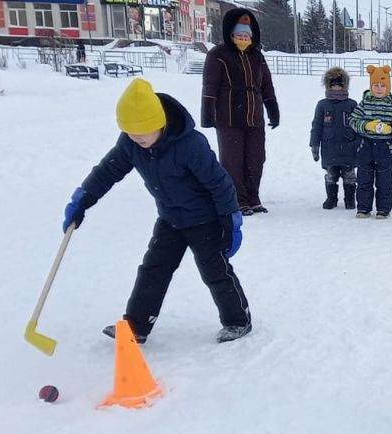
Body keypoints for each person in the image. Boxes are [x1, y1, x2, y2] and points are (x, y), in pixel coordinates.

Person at [63, 78, 252, 344]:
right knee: (153, 269)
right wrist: (84, 198)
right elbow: (109, 169)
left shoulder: (190, 145)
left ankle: (238, 320)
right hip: (170, 218)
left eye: (143, 131)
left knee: (215, 272)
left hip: (205, 220)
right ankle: (136, 326)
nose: (137, 138)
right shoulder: (130, 143)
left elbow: (220, 183)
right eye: (130, 132)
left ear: (160, 123)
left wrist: (231, 220)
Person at [201, 8, 280, 216]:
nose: (243, 38)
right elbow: (210, 86)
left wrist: (273, 109)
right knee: (232, 160)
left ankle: (253, 198)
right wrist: (208, 113)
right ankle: (237, 200)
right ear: (230, 35)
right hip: (228, 118)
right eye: (239, 35)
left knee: (256, 158)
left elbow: (266, 86)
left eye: (246, 35)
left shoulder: (257, 56)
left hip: (254, 118)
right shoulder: (218, 55)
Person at [348, 65, 392, 219]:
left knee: (384, 181)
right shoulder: (364, 103)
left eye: (383, 85)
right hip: (365, 147)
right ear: (371, 86)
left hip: (385, 149)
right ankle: (363, 208)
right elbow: (352, 120)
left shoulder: (391, 105)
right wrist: (366, 126)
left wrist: (391, 129)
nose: (379, 89)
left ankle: (383, 209)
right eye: (376, 85)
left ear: (388, 86)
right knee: (364, 180)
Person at [310, 67, 359, 210]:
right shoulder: (322, 105)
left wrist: (359, 144)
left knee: (349, 175)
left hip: (349, 148)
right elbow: (316, 125)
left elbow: (358, 126)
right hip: (329, 148)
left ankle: (350, 199)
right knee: (331, 174)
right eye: (333, 85)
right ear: (328, 85)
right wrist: (314, 145)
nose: (336, 88)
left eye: (339, 85)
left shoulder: (351, 104)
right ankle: (331, 198)